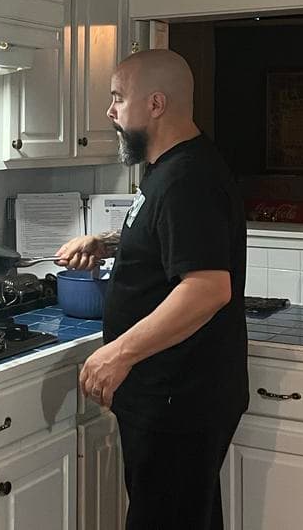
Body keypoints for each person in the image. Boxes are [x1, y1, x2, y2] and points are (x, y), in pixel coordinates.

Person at [56, 49, 248, 530]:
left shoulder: (189, 178)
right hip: (173, 394)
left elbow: (207, 288)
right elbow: (171, 239)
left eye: (118, 98)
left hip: (177, 397)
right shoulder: (171, 169)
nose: (110, 112)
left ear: (156, 104)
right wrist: (109, 243)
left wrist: (118, 353)